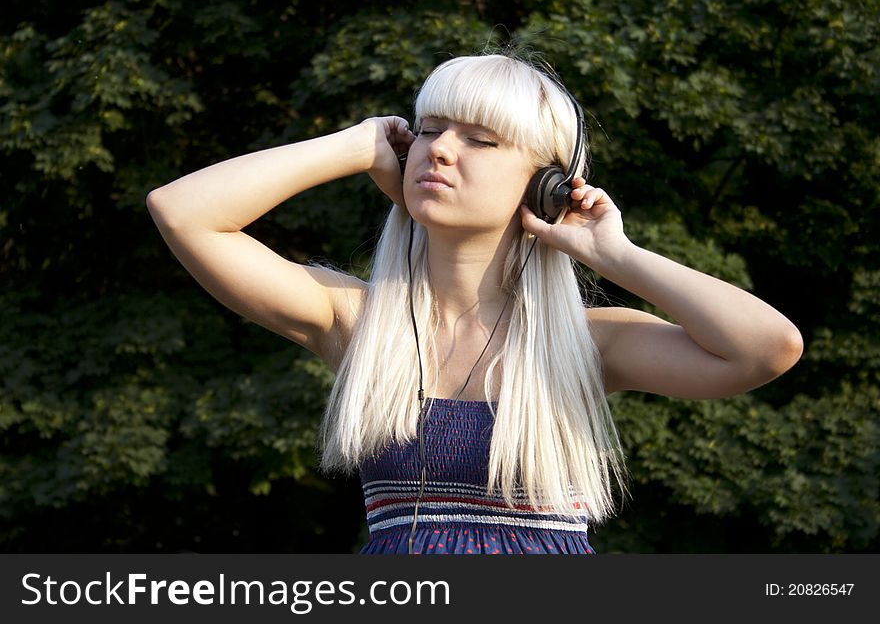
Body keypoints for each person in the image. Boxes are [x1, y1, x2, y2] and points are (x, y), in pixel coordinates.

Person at [146, 52, 803, 554]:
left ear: (547, 186)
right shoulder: (360, 323)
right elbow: (181, 212)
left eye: (480, 139)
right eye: (429, 129)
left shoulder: (588, 341)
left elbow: (767, 347)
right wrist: (357, 144)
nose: (440, 148)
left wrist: (614, 254)